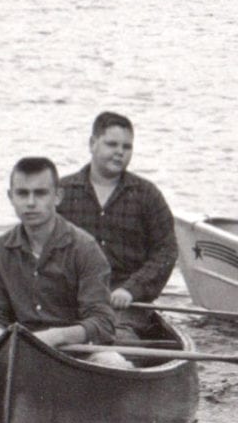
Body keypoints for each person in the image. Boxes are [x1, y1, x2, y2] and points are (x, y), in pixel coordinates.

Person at [0, 157, 129, 367]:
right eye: (22, 193)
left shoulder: (85, 249)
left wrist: (55, 336)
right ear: (10, 197)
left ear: (57, 196)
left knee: (115, 363)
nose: (30, 203)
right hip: (18, 351)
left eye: (40, 193)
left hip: (77, 354)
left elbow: (102, 323)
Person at [55, 111, 177, 341]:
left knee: (118, 341)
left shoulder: (147, 195)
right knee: (40, 334)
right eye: (112, 144)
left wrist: (132, 289)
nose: (120, 152)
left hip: (125, 306)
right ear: (92, 143)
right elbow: (39, 246)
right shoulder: (61, 192)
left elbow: (166, 252)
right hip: (70, 299)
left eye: (127, 147)